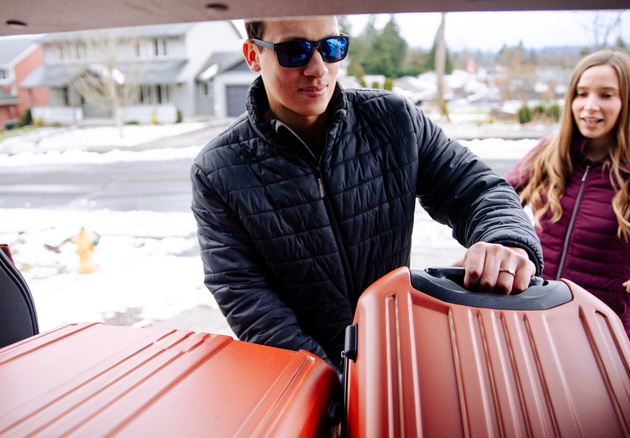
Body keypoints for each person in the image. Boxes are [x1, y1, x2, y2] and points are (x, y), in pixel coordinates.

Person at [191, 16, 543, 370]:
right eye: (294, 52)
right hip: (308, 381)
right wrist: (330, 387)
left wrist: (507, 240)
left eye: (331, 48)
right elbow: (247, 299)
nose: (318, 69)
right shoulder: (217, 169)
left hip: (400, 356)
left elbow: (476, 189)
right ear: (253, 55)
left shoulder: (396, 120)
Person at [506, 50, 630, 357]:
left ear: (627, 102)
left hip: (606, 328)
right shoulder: (550, 152)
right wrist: (504, 243)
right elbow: (499, 199)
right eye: (581, 94)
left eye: (606, 95)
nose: (590, 106)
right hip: (538, 314)